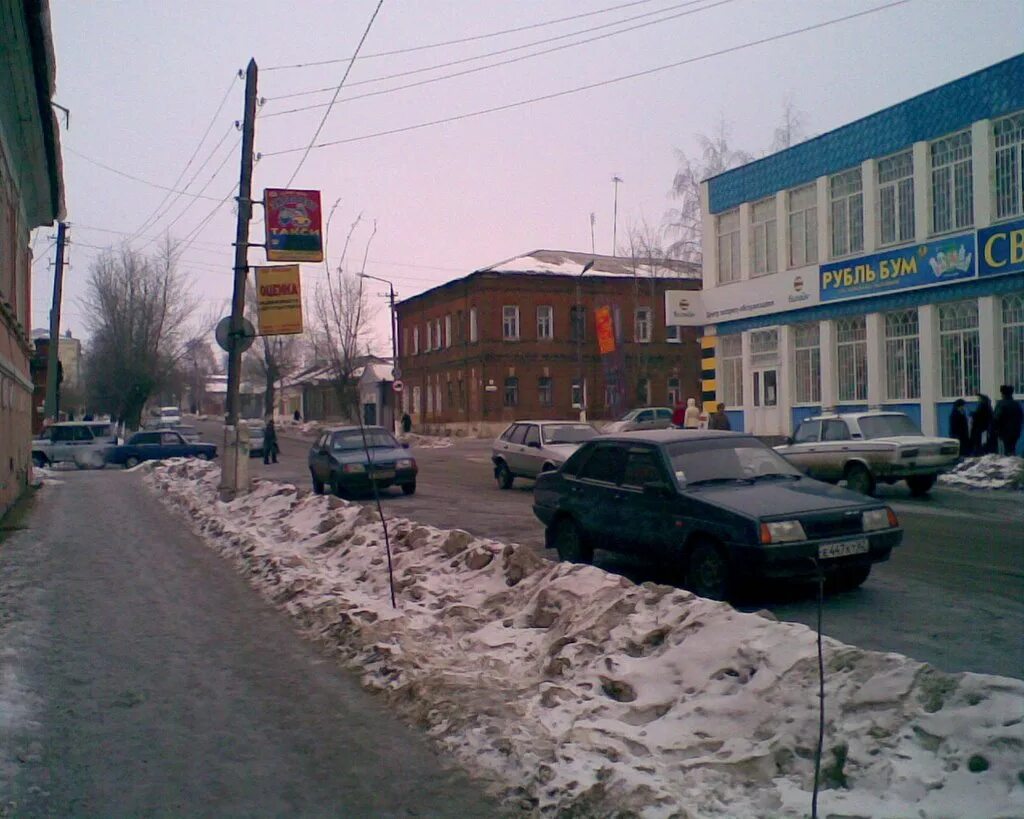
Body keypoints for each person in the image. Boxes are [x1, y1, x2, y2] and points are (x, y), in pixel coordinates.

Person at [993, 384, 1023, 456]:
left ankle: (1008, 463)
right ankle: (1012, 462)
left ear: (1003, 394)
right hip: (1015, 432)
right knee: (1012, 448)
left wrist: (995, 430)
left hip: (1004, 432)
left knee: (1005, 450)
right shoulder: (1016, 404)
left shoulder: (1001, 404)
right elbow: (1021, 417)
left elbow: (996, 418)